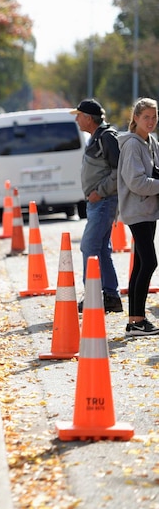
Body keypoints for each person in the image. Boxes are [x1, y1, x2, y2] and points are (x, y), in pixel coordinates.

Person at [72, 98, 124, 313]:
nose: (76, 119)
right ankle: (110, 296)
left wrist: (99, 192)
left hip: (103, 202)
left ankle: (94, 296)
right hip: (98, 203)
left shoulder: (106, 137)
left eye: (78, 115)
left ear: (88, 118)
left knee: (89, 246)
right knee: (101, 249)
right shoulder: (96, 137)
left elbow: (118, 170)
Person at [116, 98, 159, 336]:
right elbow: (136, 182)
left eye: (154, 117)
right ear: (135, 118)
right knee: (150, 262)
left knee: (141, 264)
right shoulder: (132, 145)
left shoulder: (150, 142)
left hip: (148, 210)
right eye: (146, 117)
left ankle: (135, 321)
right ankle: (138, 320)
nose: (150, 122)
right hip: (137, 211)